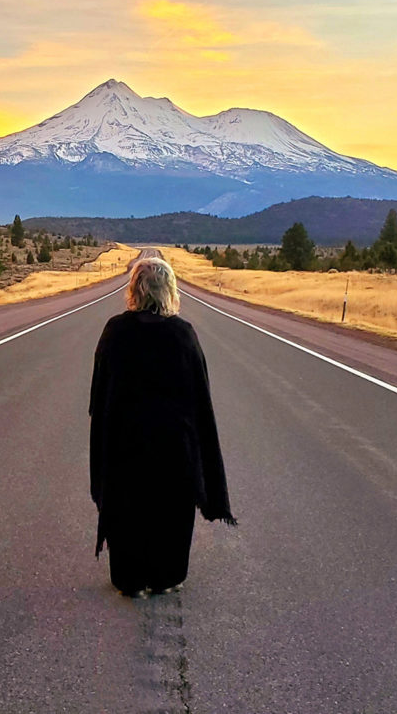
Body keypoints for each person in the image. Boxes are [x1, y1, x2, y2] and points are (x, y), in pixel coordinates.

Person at [89, 256, 236, 598]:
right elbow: (201, 398)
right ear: (169, 291)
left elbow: (99, 394)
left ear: (134, 290)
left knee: (128, 508)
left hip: (126, 444)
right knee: (171, 512)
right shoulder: (182, 334)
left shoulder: (115, 331)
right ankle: (166, 576)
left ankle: (130, 579)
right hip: (174, 448)